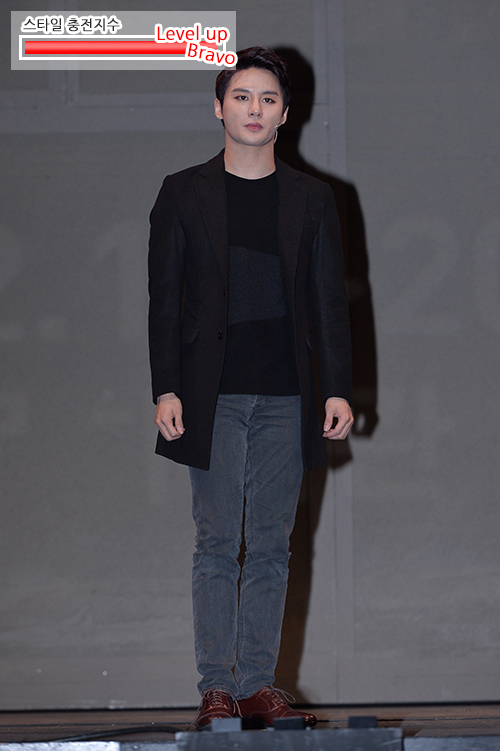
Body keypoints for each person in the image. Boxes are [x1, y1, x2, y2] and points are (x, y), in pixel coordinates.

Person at [148, 46, 353, 730]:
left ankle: (258, 686)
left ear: (285, 114)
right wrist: (167, 387)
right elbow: (165, 301)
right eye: (241, 97)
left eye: (267, 99)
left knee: (271, 543)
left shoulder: (312, 197)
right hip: (212, 395)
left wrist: (336, 387)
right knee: (215, 541)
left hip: (287, 396)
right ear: (219, 107)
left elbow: (329, 301)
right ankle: (216, 688)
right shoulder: (184, 192)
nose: (254, 109)